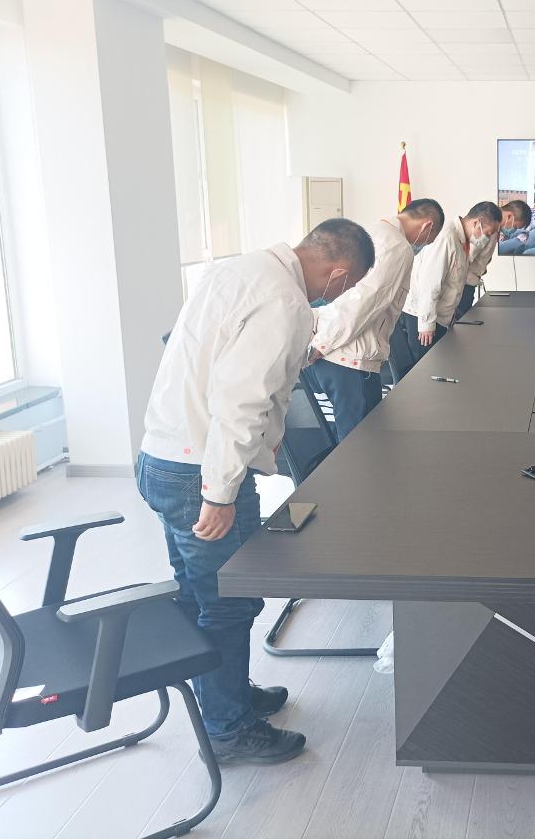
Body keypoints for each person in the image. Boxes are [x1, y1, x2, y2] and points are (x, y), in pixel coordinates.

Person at [138, 219, 375, 764]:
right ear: (339, 274)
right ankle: (227, 729)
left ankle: (226, 698)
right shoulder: (287, 303)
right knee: (227, 604)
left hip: (161, 456)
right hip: (202, 471)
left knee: (198, 593)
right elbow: (241, 403)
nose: (338, 295)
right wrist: (220, 494)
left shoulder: (237, 269)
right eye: (349, 286)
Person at [308, 199, 442, 441]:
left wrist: (322, 341)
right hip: (352, 361)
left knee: (351, 443)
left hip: (336, 354)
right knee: (360, 447)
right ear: (427, 226)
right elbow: (363, 301)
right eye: (428, 240)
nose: (423, 245)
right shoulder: (398, 247)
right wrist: (323, 342)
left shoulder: (373, 231)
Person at [391, 201, 502, 380]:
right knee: (424, 374)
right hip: (422, 317)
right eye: (488, 234)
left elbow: (453, 283)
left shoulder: (463, 241)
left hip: (440, 317)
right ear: (476, 223)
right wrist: (427, 325)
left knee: (437, 370)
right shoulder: (446, 238)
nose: (487, 239)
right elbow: (430, 284)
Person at [457, 199, 519, 318]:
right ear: (509, 216)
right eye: (515, 226)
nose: (514, 230)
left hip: (468, 283)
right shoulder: (487, 229)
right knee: (460, 323)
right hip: (463, 286)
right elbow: (466, 258)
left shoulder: (493, 228)